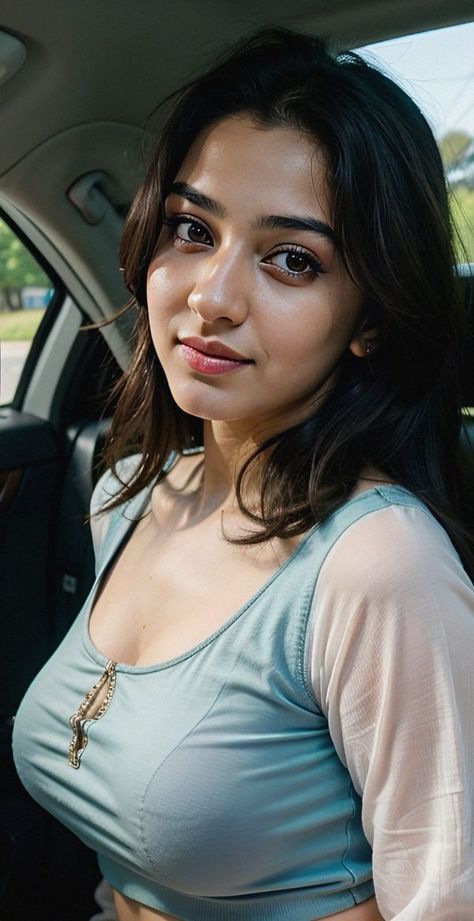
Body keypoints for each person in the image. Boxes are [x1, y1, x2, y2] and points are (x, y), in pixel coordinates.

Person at [12, 26, 474, 921]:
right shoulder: (132, 495)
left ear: (370, 318)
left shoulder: (381, 568)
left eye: (291, 260)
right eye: (192, 228)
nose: (212, 296)